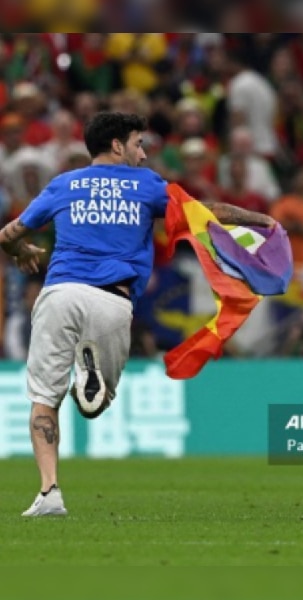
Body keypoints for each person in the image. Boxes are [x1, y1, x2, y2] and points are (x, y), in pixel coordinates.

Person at [0, 112, 275, 517]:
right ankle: (87, 377)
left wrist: (23, 252)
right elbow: (203, 211)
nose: (144, 155)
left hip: (58, 293)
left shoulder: (62, 184)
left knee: (44, 398)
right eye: (139, 143)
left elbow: (8, 235)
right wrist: (260, 219)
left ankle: (49, 491)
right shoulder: (146, 186)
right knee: (97, 404)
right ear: (117, 146)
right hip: (112, 301)